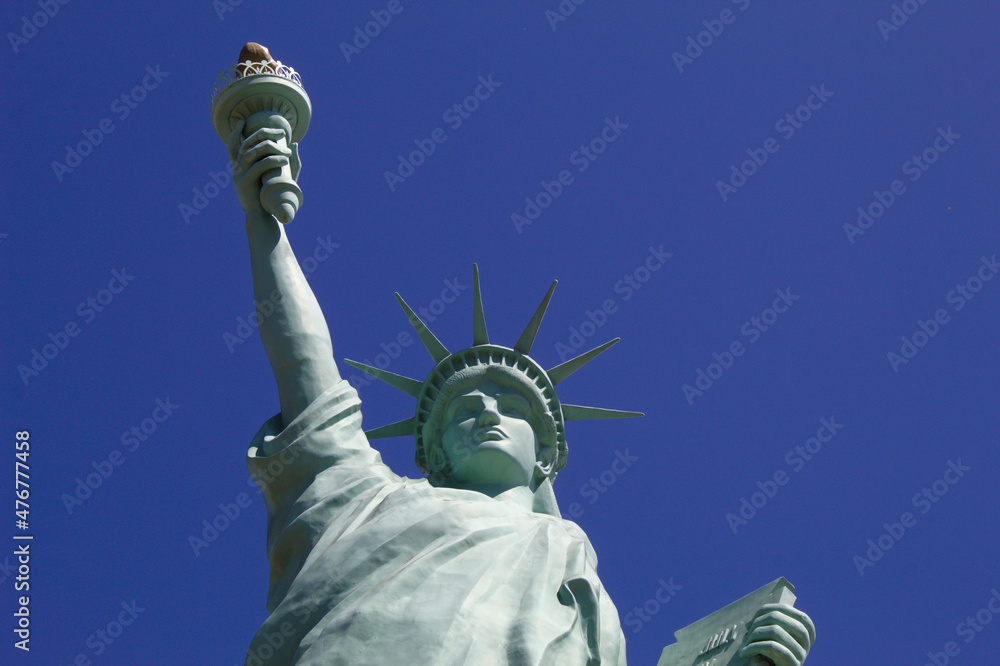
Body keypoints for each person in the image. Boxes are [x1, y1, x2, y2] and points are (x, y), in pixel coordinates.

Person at [229, 118, 815, 665]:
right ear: (431, 453)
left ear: (545, 456)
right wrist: (263, 224)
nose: (488, 410)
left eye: (513, 408)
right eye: (465, 408)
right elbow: (303, 364)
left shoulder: (571, 566)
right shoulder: (366, 503)